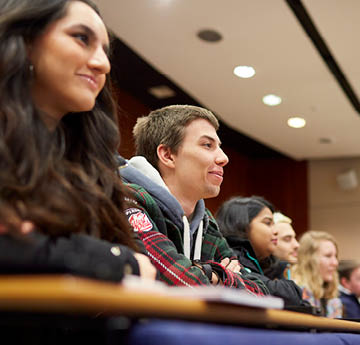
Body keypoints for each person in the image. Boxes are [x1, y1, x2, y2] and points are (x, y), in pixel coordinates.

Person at [0, 0, 156, 282]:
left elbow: (139, 260)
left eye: (105, 51)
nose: (102, 63)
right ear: (25, 41)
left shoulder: (92, 161)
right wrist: (115, 262)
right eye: (81, 38)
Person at [119, 104, 264, 294]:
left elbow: (260, 291)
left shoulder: (205, 221)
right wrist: (222, 275)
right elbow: (177, 281)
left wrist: (212, 275)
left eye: (219, 147)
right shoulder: (127, 199)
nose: (224, 158)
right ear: (168, 155)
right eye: (207, 145)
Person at [215, 196, 305, 306]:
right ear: (242, 225)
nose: (276, 231)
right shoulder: (230, 258)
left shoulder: (269, 264)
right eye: (268, 223)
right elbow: (288, 295)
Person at [291, 231, 342, 318]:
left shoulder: (332, 297)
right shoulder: (295, 292)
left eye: (335, 256)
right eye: (328, 256)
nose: (335, 263)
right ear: (309, 260)